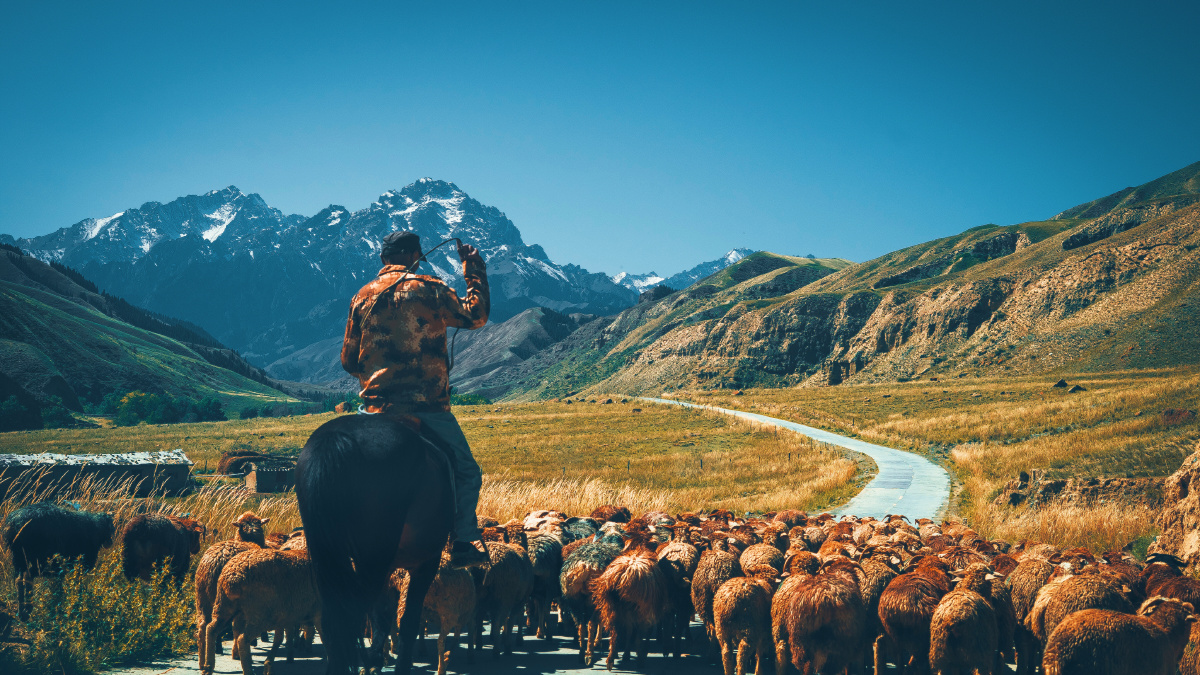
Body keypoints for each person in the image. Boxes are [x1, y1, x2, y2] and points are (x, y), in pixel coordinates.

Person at [341, 230, 491, 568]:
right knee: (467, 471)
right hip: (428, 407)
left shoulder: (361, 297)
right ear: (414, 255)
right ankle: (463, 542)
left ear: (383, 258)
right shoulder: (431, 289)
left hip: (376, 408)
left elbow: (348, 361)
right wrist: (473, 269)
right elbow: (476, 316)